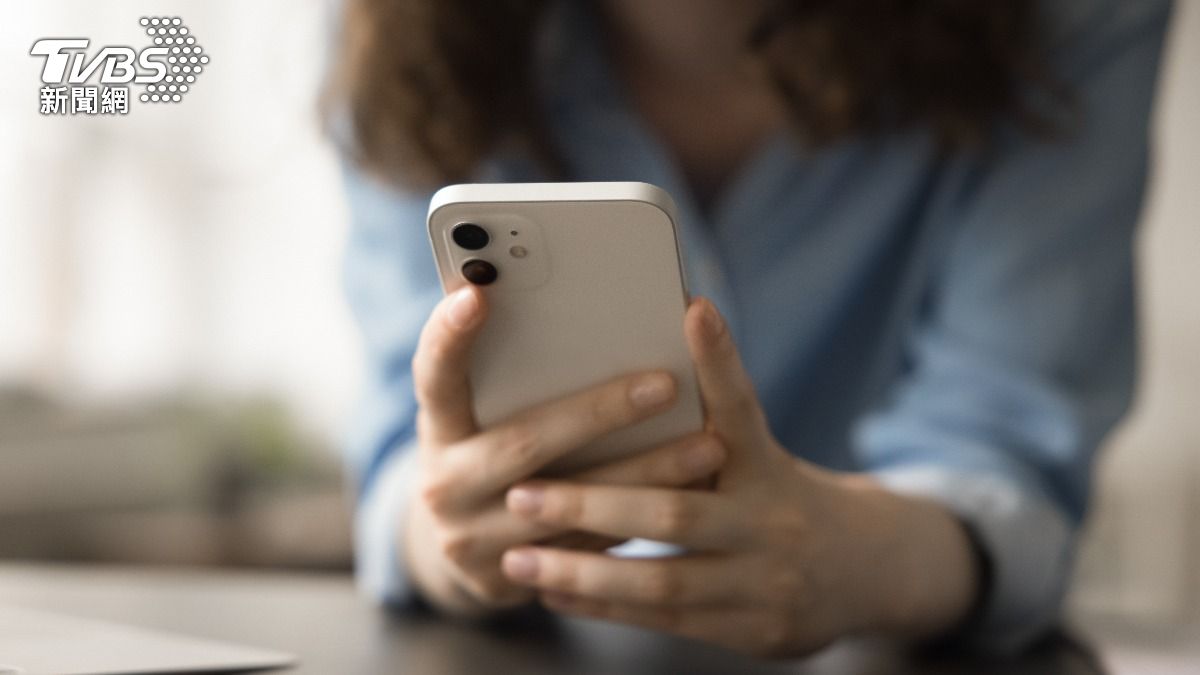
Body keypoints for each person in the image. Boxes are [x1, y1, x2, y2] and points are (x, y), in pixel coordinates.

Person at [323, 0, 1171, 657]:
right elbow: (408, 442)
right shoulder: (399, 30)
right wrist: (447, 530)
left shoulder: (1071, 19)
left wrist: (866, 554)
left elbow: (1009, 441)